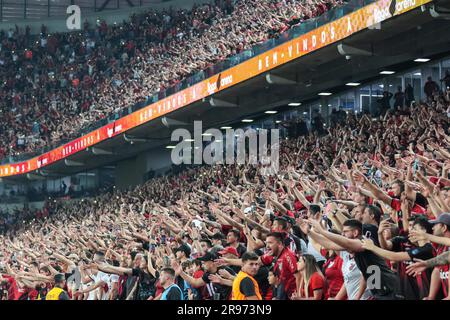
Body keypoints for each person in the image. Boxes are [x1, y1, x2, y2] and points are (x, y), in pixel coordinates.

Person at [260, 232, 298, 299]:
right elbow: (256, 261)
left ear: (280, 244)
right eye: (266, 243)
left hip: (292, 296)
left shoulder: (288, 256)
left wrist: (299, 294)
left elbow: (299, 276)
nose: (267, 246)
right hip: (283, 292)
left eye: (270, 243)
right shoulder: (273, 254)